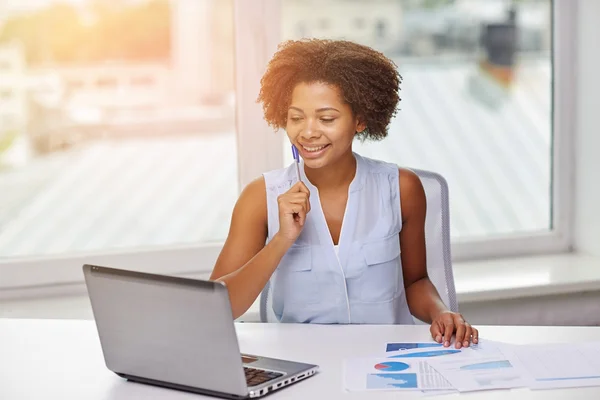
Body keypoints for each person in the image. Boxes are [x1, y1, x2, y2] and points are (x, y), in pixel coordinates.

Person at [210, 39, 478, 349]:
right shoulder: (261, 197)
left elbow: (415, 282)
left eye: (326, 119)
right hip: (303, 363)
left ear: (360, 120)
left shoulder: (402, 188)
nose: (307, 132)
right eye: (296, 118)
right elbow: (218, 308)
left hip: (386, 361)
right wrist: (282, 239)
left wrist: (441, 312)